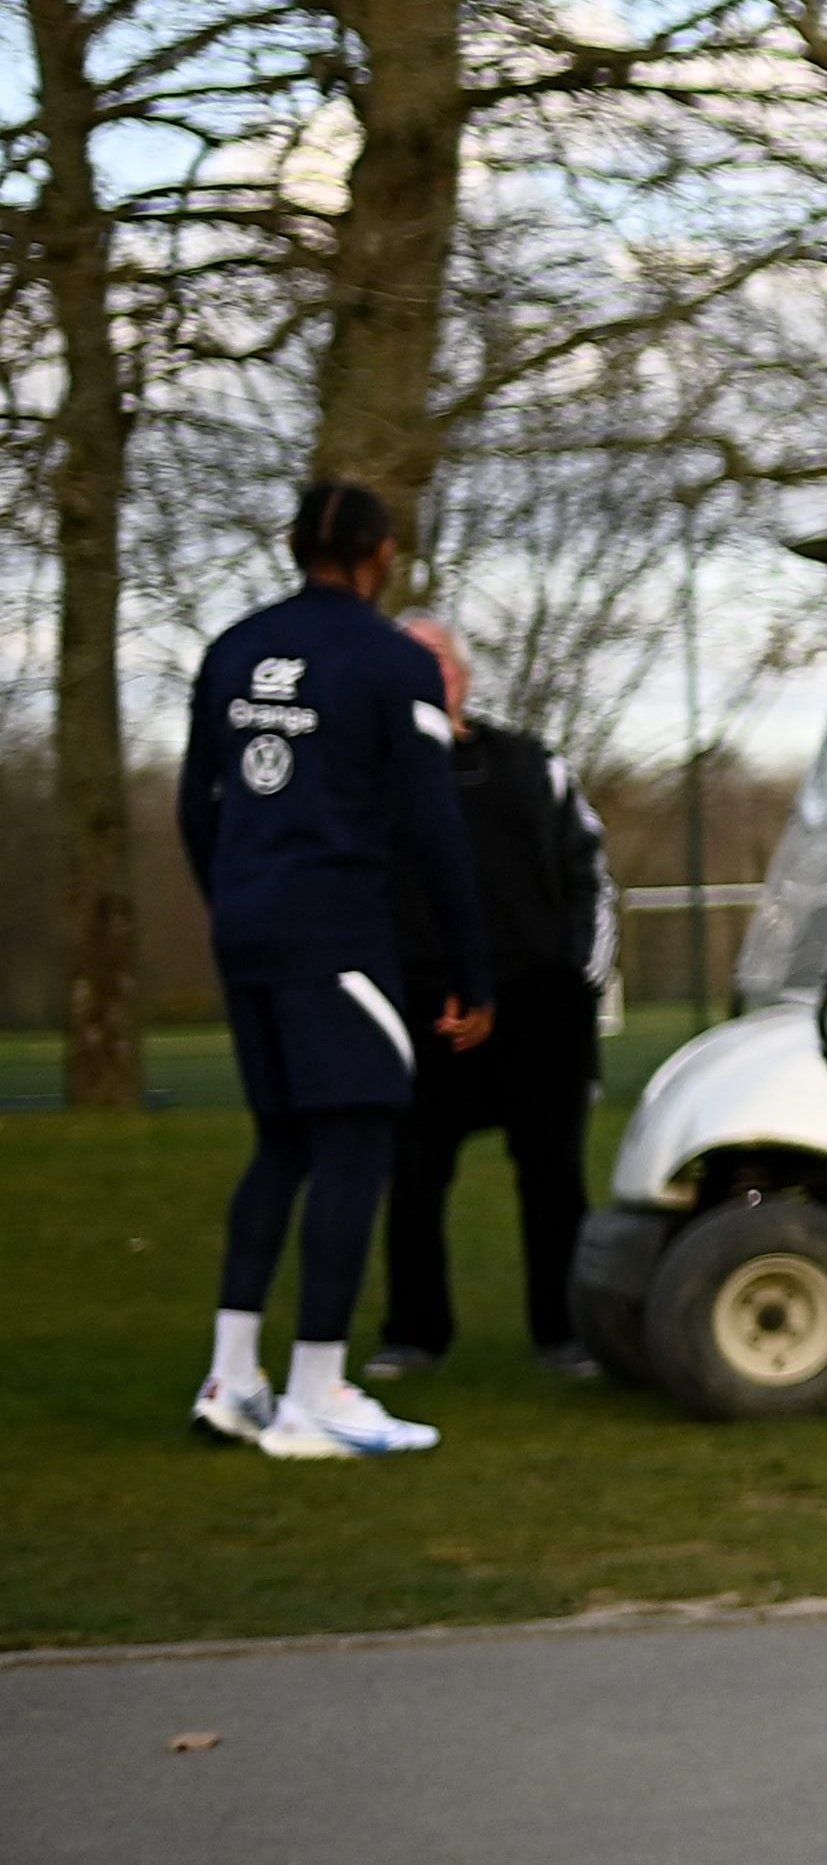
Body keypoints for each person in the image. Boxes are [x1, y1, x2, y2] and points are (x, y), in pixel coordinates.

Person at [175, 482, 493, 1458]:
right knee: (356, 1141)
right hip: (337, 931)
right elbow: (434, 824)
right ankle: (317, 1389)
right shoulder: (392, 660)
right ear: (380, 552)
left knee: (282, 1142)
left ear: (292, 544)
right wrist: (471, 968)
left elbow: (200, 801)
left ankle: (234, 1378)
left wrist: (235, 900)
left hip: (248, 926)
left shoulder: (231, 648)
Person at [372, 619, 616, 1378]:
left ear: (464, 676)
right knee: (412, 1178)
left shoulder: (530, 764)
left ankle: (565, 1334)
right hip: (418, 1008)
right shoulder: (361, 776)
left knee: (552, 1176)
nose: (423, 669)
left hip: (537, 1005)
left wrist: (576, 982)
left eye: (436, 658)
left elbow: (591, 876)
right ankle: (412, 1337)